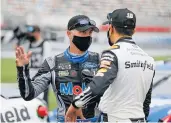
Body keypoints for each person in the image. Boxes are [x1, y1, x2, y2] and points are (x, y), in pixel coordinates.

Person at [65, 8, 156, 123]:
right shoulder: (149, 59)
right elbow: (146, 103)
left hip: (114, 119)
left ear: (111, 28)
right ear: (134, 31)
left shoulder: (112, 53)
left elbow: (97, 87)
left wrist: (75, 104)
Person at [15, 15, 100, 122]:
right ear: (69, 33)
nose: (87, 36)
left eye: (90, 32)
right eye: (83, 32)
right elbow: (28, 94)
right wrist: (22, 69)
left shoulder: (100, 60)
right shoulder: (52, 63)